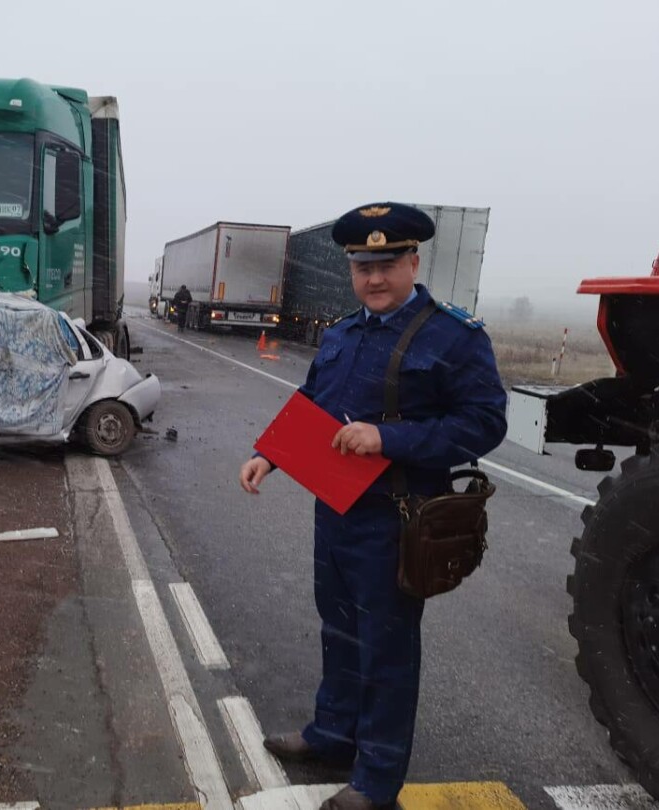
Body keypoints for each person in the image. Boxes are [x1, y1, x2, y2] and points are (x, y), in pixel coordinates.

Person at [238, 202, 507, 810]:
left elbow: (485, 422)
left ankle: (378, 780)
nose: (375, 279)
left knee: (386, 645)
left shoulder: (453, 336)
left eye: (387, 265)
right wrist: (269, 454)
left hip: (399, 515)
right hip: (335, 511)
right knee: (338, 629)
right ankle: (333, 735)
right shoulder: (343, 332)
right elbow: (314, 402)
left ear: (414, 261)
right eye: (363, 267)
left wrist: (391, 438)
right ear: (351, 270)